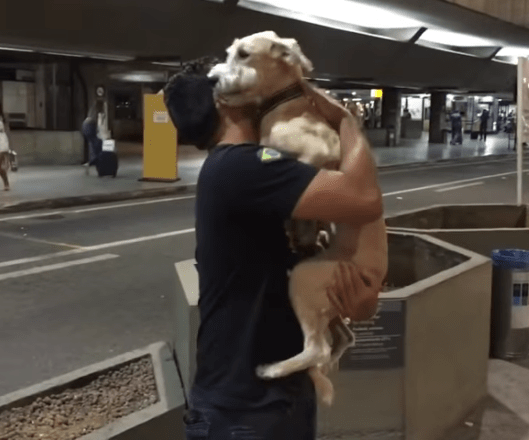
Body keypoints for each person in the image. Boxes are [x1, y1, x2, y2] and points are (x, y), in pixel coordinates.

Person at [163, 60, 383, 439]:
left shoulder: (249, 169)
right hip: (245, 413)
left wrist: (356, 293)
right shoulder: (243, 167)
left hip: (275, 399)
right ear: (225, 101)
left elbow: (349, 262)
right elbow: (363, 198)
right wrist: (345, 120)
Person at [81, 100, 107, 174]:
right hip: (90, 126)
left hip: (85, 125)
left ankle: (91, 162)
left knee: (93, 144)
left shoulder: (92, 110)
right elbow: (99, 125)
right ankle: (94, 162)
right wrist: (104, 135)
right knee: (98, 144)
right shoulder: (99, 113)